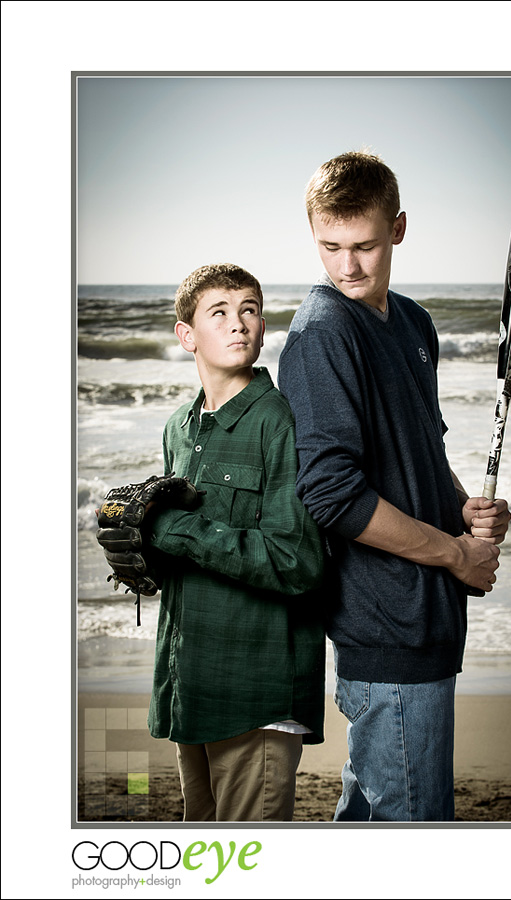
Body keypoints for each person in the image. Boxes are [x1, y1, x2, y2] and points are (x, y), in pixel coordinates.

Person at [277, 151, 511, 822]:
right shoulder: (322, 336)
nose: (348, 266)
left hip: (428, 618)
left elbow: (423, 457)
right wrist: (453, 554)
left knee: (378, 819)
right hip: (387, 624)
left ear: (398, 229)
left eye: (365, 245)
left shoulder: (412, 323)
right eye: (331, 247)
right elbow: (330, 496)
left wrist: (466, 509)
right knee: (409, 833)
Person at [145, 263, 325, 822]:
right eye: (218, 313)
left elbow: (297, 561)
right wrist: (146, 552)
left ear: (264, 326)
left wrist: (178, 531)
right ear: (186, 335)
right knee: (204, 856)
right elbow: (177, 553)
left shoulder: (280, 422)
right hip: (189, 684)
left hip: (258, 689)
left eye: (248, 310)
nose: (237, 324)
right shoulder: (179, 427)